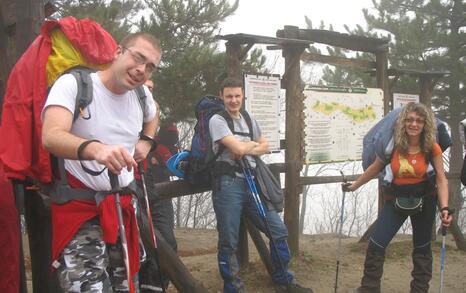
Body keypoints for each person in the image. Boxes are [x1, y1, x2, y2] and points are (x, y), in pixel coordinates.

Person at [41, 32, 161, 292]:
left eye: (150, 67)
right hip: (81, 209)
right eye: (138, 58)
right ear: (118, 52)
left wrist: (147, 141)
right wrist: (94, 149)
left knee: (126, 284)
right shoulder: (75, 85)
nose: (142, 70)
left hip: (123, 207)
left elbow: (154, 114)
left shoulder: (141, 95)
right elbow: (51, 135)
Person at [209, 77, 313, 293]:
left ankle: (284, 281)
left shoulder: (248, 118)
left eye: (237, 95)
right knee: (229, 240)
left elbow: (265, 146)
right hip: (228, 184)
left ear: (243, 95)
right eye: (229, 96)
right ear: (221, 96)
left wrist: (246, 146)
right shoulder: (217, 120)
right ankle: (233, 288)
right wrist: (251, 145)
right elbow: (238, 150)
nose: (233, 100)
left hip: (252, 182)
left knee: (278, 229)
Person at [343, 102, 453, 293]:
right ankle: (369, 288)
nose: (414, 124)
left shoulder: (431, 147)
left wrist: (444, 208)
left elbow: (442, 180)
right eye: (410, 120)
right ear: (403, 122)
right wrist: (354, 186)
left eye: (419, 121)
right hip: (395, 200)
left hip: (425, 201)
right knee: (376, 244)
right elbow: (374, 169)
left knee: (422, 250)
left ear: (425, 124)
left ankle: (419, 290)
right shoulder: (392, 144)